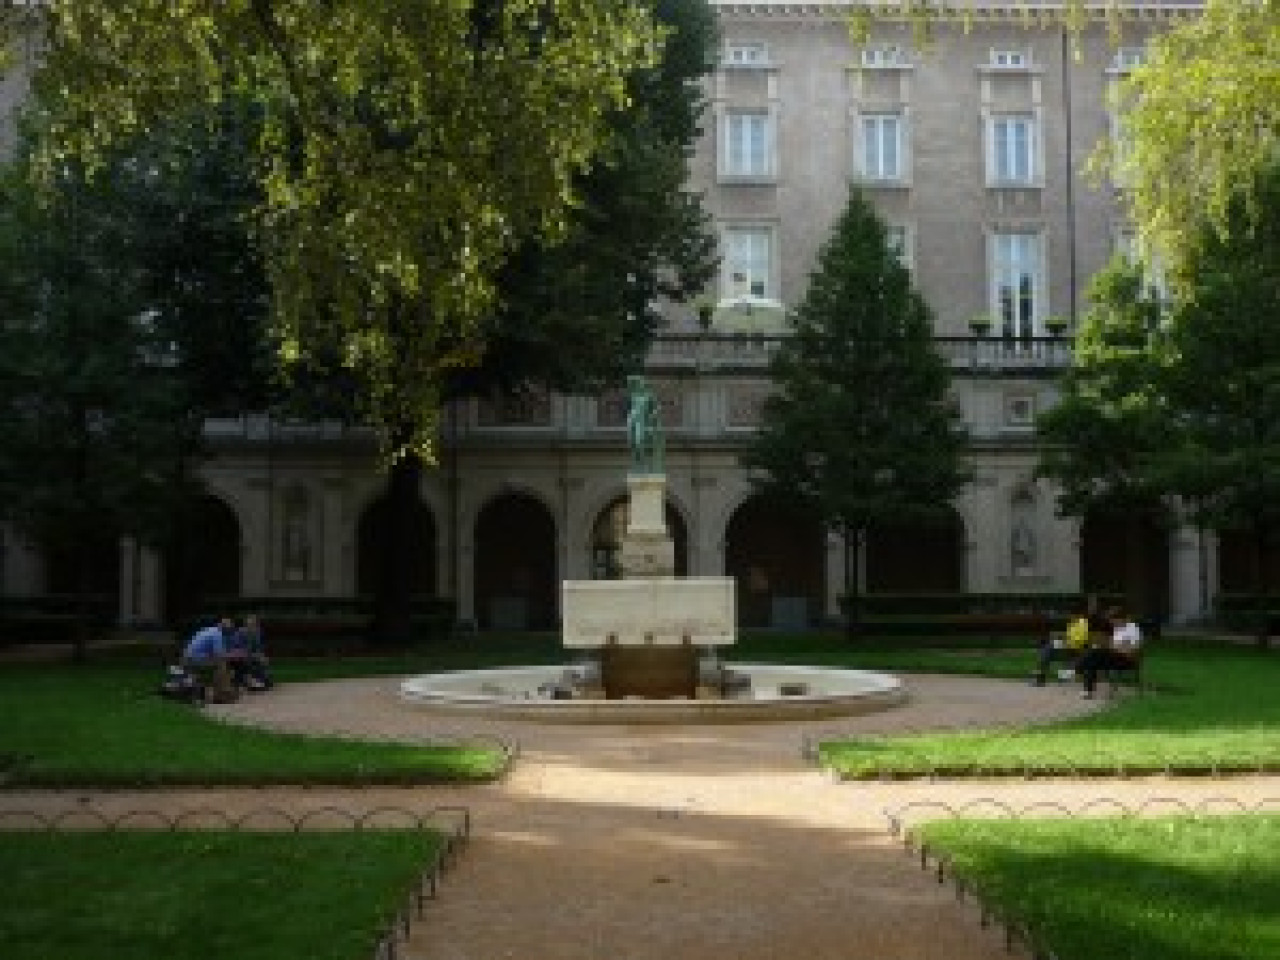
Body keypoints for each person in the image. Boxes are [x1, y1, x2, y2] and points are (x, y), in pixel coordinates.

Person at [1075, 607, 1142, 699]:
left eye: (1114, 620)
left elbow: (1132, 650)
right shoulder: (1116, 630)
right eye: (1111, 621)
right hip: (1112, 657)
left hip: (1125, 660)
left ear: (1122, 619)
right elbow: (1114, 644)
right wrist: (1108, 645)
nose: (1112, 623)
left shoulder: (1132, 629)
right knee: (1092, 658)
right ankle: (1087, 689)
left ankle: (1077, 669)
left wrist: (1114, 647)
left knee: (1093, 655)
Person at [1032, 605, 1092, 686]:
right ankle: (1041, 677)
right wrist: (1061, 638)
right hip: (1068, 646)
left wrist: (1068, 643)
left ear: (1077, 614)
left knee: (1047, 650)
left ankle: (1041, 678)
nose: (1069, 617)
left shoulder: (1083, 623)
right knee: (1047, 649)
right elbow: (1069, 636)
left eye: (1071, 615)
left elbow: (1082, 639)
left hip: (1075, 648)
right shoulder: (1073, 623)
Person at [180, 618, 237, 703]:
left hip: (188, 656)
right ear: (224, 628)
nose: (228, 632)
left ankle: (222, 691)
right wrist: (232, 655)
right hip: (193, 658)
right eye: (228, 630)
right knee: (221, 665)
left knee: (220, 664)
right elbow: (219, 655)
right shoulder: (217, 635)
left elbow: (214, 653)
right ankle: (221, 694)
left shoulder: (210, 630)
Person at [226, 614, 273, 691]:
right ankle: (249, 681)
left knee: (262, 661)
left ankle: (260, 680)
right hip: (240, 655)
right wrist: (254, 655)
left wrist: (261, 655)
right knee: (253, 661)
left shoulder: (258, 632)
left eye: (254, 624)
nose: (252, 625)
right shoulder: (240, 633)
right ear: (246, 624)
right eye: (250, 624)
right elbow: (238, 648)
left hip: (252, 654)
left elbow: (259, 646)